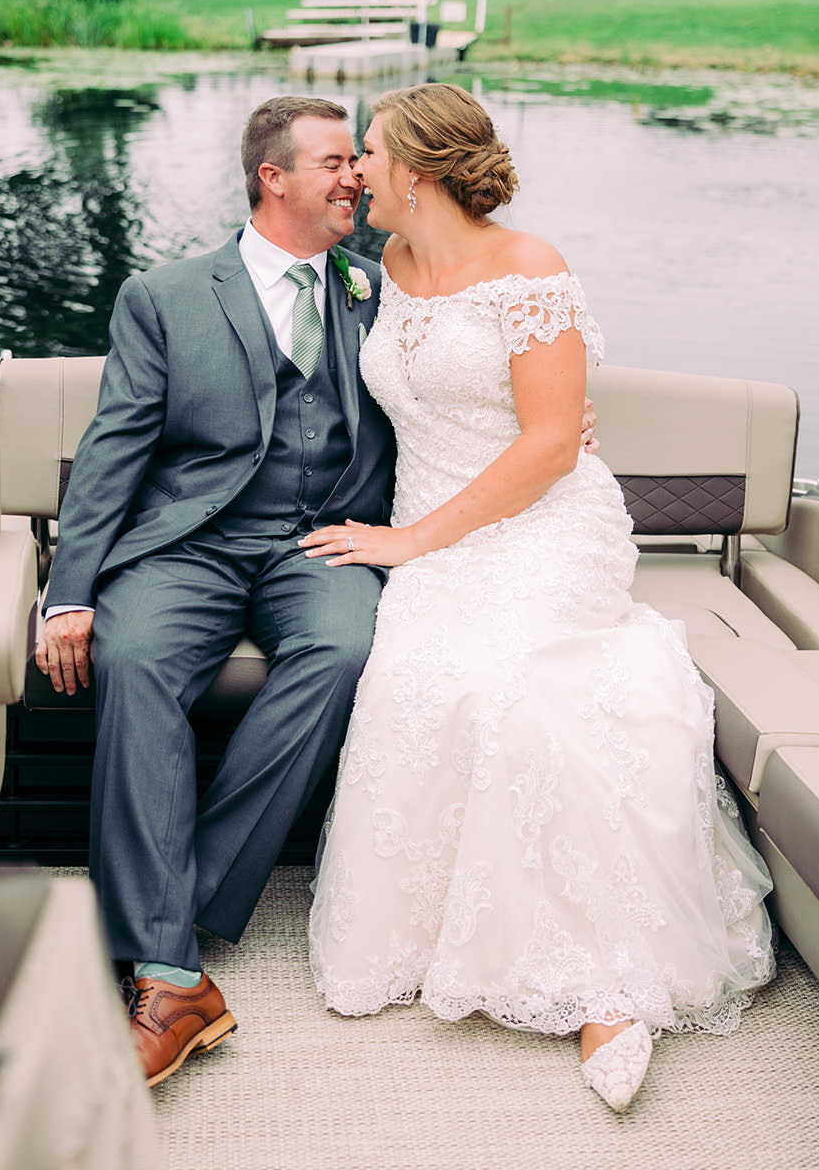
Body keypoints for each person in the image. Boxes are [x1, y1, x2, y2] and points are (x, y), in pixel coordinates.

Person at [36, 91, 602, 1089]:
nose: (353, 176)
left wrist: (562, 420)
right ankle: (171, 971)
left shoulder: (379, 281)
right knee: (130, 656)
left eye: (361, 159)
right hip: (189, 549)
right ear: (275, 178)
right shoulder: (163, 295)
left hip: (323, 542)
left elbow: (482, 359)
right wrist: (66, 590)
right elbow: (112, 456)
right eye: (336, 160)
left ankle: (168, 899)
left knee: (344, 650)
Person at [302, 82, 774, 1113]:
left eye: (369, 154)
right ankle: (432, 936)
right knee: (419, 680)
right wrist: (405, 535)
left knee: (517, 685)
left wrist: (409, 541)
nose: (354, 172)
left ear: (417, 172)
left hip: (544, 527)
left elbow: (551, 441)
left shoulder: (529, 268)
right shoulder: (372, 266)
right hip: (430, 528)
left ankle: (607, 978)